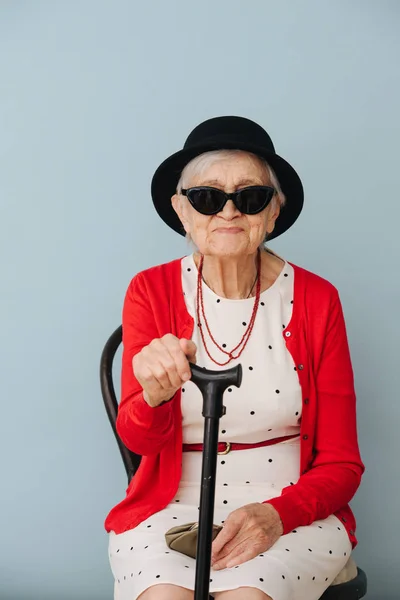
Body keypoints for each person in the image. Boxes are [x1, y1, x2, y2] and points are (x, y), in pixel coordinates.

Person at [105, 116, 365, 600]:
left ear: (273, 213)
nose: (228, 212)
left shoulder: (317, 299)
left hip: (291, 508)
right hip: (171, 504)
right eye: (206, 197)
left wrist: (277, 515)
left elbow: (342, 463)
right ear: (181, 211)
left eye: (250, 197)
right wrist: (155, 397)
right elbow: (138, 437)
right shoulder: (150, 290)